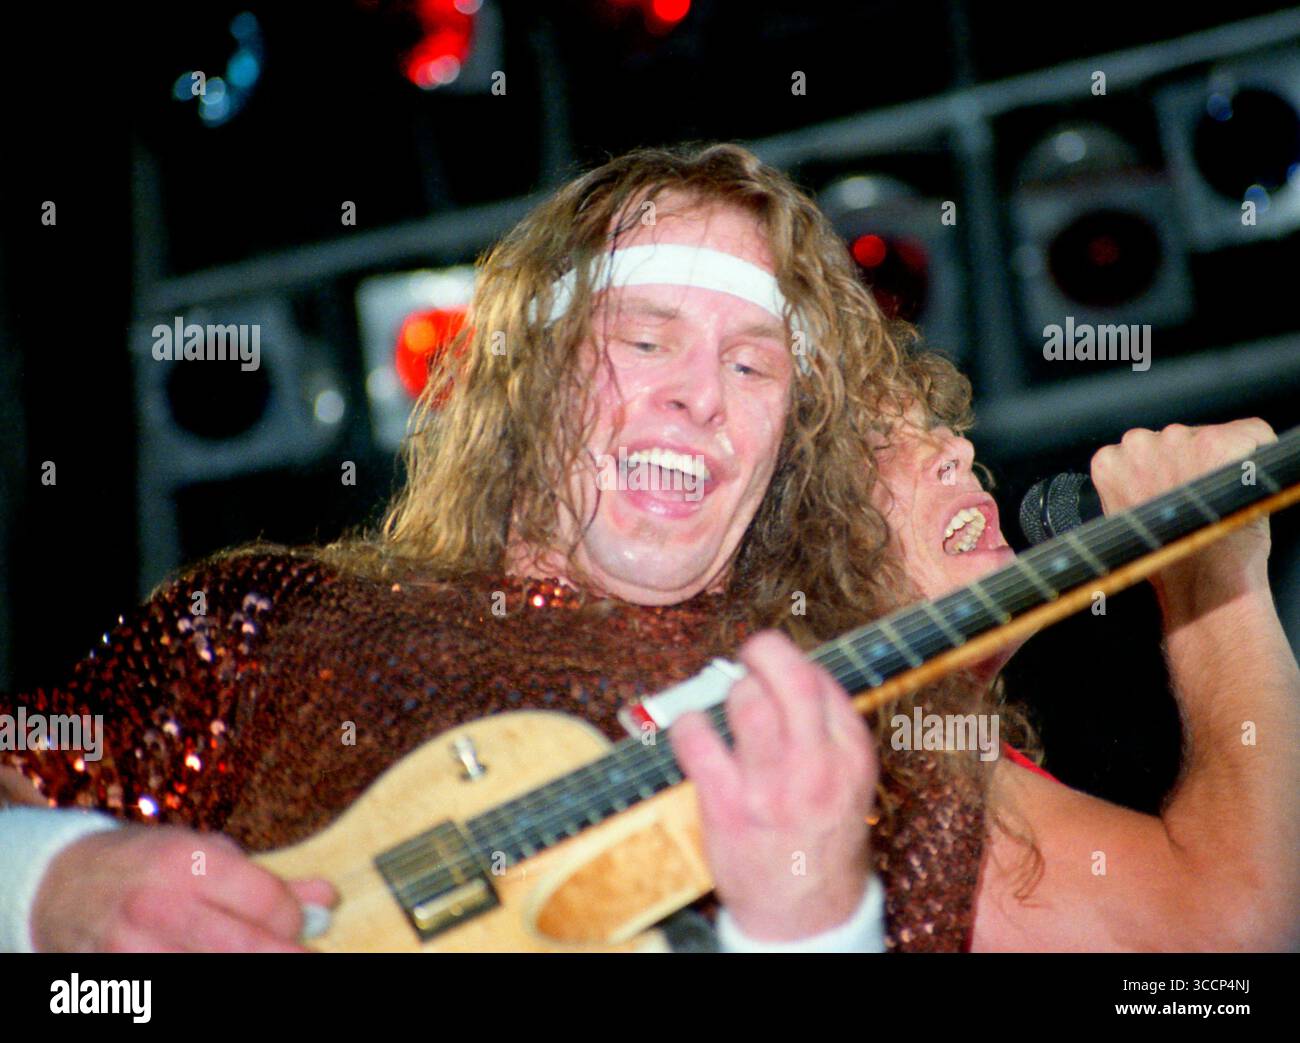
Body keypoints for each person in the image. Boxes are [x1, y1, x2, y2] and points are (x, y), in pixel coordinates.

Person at [3, 142, 1296, 953]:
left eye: (752, 364)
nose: (701, 395)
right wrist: (54, 898)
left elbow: (1227, 947)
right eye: (646, 339)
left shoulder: (851, 746)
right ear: (522, 377)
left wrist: (812, 925)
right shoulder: (264, 626)